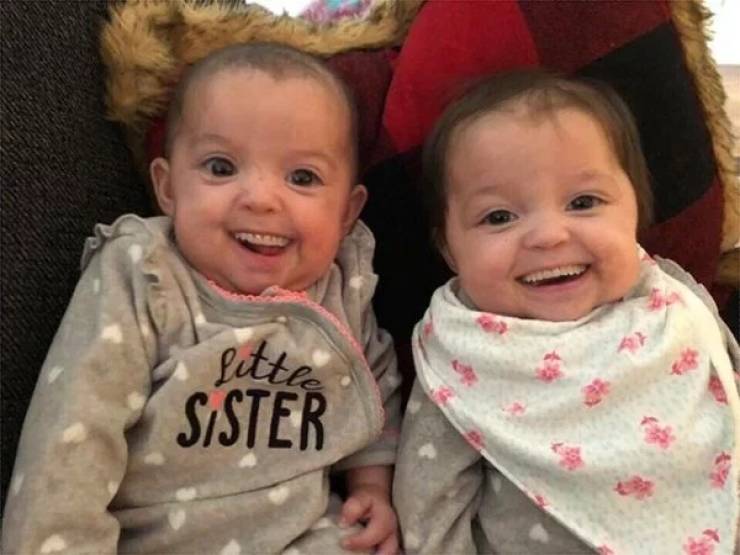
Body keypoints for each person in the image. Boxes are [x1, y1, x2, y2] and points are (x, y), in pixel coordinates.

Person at [2, 42, 402, 555]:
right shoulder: (145, 272)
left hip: (305, 535)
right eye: (220, 167)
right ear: (168, 188)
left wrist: (371, 487)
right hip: (160, 539)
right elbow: (73, 439)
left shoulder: (342, 286)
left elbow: (375, 387)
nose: (260, 198)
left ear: (346, 213)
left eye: (302, 177)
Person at [393, 69, 739, 554]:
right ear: (450, 251)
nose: (549, 236)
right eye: (499, 217)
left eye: (583, 202)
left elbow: (727, 383)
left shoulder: (670, 301)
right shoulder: (462, 351)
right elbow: (428, 501)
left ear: (635, 213)